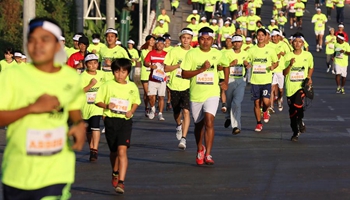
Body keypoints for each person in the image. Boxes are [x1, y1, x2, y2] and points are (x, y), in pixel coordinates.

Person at [0, 17, 85, 199]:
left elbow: (74, 106)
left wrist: (78, 123)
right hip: (18, 173)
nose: (37, 45)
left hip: (56, 171)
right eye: (32, 40)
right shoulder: (12, 76)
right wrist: (32, 108)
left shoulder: (70, 78)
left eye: (45, 39)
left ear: (57, 45)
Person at [181, 27, 229, 165]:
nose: (205, 42)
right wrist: (201, 69)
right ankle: (199, 148)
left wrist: (225, 81)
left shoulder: (217, 53)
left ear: (212, 40)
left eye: (208, 39)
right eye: (202, 39)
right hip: (196, 95)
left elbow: (226, 65)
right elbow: (184, 74)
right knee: (198, 125)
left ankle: (208, 153)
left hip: (212, 93)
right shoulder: (191, 54)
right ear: (198, 40)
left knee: (209, 121)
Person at [95, 58, 140, 194]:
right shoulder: (107, 85)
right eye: (117, 71)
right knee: (114, 151)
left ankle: (121, 182)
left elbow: (136, 101)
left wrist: (131, 111)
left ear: (128, 73)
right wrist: (107, 106)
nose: (120, 75)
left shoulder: (132, 86)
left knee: (122, 150)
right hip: (110, 120)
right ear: (113, 72)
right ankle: (115, 171)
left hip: (125, 121)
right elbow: (98, 101)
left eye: (123, 72)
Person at [164, 28, 193, 149]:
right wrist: (178, 66)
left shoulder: (194, 52)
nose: (186, 40)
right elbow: (166, 68)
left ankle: (184, 139)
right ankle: (179, 125)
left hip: (188, 86)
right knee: (177, 112)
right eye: (184, 37)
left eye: (188, 38)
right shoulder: (174, 51)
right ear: (180, 39)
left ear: (191, 39)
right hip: (175, 85)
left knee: (186, 111)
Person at [283, 34, 314, 141]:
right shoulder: (287, 56)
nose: (297, 44)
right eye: (295, 41)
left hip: (301, 86)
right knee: (292, 112)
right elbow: (284, 73)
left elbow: (311, 67)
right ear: (292, 43)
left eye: (300, 42)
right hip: (290, 87)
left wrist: (309, 77)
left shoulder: (308, 55)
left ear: (303, 43)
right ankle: (295, 132)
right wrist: (290, 65)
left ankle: (300, 121)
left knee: (298, 104)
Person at [248, 28, 278, 132]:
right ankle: (258, 123)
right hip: (255, 81)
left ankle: (265, 111)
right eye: (258, 35)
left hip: (266, 80)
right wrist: (246, 64)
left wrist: (273, 66)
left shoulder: (270, 50)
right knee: (256, 103)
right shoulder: (251, 50)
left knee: (266, 101)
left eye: (262, 35)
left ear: (266, 37)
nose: (260, 37)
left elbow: (276, 61)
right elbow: (246, 61)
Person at [223, 35, 250, 134]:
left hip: (240, 80)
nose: (237, 44)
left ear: (242, 43)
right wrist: (230, 64)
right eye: (235, 42)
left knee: (236, 103)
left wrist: (247, 65)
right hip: (229, 79)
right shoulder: (226, 53)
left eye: (239, 42)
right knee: (229, 103)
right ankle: (228, 117)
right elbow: (221, 66)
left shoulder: (246, 54)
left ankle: (236, 126)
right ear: (232, 43)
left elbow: (249, 65)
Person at [81, 53, 105, 161]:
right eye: (90, 63)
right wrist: (90, 85)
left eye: (95, 63)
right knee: (88, 130)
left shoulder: (102, 74)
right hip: (85, 106)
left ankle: (95, 149)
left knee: (95, 126)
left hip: (97, 106)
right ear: (86, 65)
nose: (93, 65)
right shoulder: (82, 76)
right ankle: (91, 148)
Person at [144, 37, 168, 120]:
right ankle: (153, 109)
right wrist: (150, 65)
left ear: (164, 45)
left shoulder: (167, 54)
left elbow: (170, 65)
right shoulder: (151, 53)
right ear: (155, 44)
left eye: (161, 43)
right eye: (158, 43)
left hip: (162, 79)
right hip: (152, 78)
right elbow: (145, 62)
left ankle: (160, 113)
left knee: (161, 96)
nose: (160, 45)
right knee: (151, 96)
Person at [139, 35, 156, 117]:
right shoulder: (143, 51)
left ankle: (151, 107)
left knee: (152, 94)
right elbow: (147, 61)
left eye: (153, 40)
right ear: (147, 41)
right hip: (145, 75)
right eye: (151, 40)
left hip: (154, 75)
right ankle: (148, 108)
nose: (152, 42)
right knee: (147, 93)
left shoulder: (156, 51)